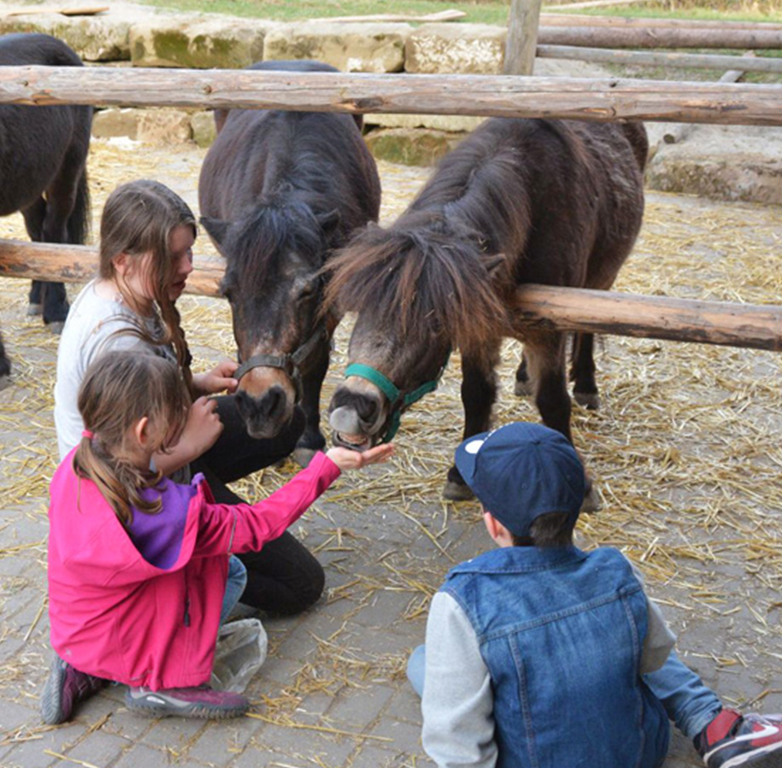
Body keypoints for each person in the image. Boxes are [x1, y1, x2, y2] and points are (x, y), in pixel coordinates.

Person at [406, 422, 782, 768]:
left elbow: (456, 745)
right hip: (638, 753)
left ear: (492, 523)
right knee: (626, 635)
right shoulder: (617, 570)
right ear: (579, 507)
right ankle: (710, 722)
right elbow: (655, 657)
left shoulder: (462, 600)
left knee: (422, 661)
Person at [43, 351, 393, 721]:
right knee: (231, 571)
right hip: (123, 630)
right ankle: (162, 684)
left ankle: (82, 664)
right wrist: (327, 466)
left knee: (195, 568)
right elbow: (260, 525)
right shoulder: (165, 515)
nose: (184, 420)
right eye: (176, 416)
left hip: (77, 629)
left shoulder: (77, 466)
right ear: (144, 432)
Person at [53, 179, 326, 618]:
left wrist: (195, 384)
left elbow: (141, 404)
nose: (187, 267)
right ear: (124, 261)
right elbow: (120, 471)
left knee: (286, 419)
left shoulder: (124, 291)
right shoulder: (117, 344)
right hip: (133, 490)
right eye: (173, 257)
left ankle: (203, 514)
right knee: (301, 585)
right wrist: (191, 448)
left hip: (161, 441)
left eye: (189, 253)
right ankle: (186, 570)